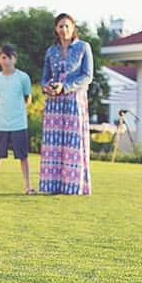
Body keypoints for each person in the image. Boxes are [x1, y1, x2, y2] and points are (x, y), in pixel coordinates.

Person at [38, 13, 93, 195]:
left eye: (67, 26)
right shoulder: (50, 51)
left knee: (72, 141)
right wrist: (47, 87)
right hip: (54, 102)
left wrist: (66, 87)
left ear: (73, 27)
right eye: (60, 26)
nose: (64, 30)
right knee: (53, 143)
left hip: (73, 98)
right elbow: (45, 76)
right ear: (56, 29)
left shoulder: (83, 47)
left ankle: (73, 185)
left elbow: (87, 76)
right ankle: (51, 185)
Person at [0, 44, 34, 195]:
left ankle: (27, 186)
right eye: (3, 57)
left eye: (10, 57)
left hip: (19, 124)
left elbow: (28, 98)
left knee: (23, 156)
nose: (7, 61)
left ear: (15, 59)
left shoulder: (23, 77)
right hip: (0, 124)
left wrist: (18, 111)